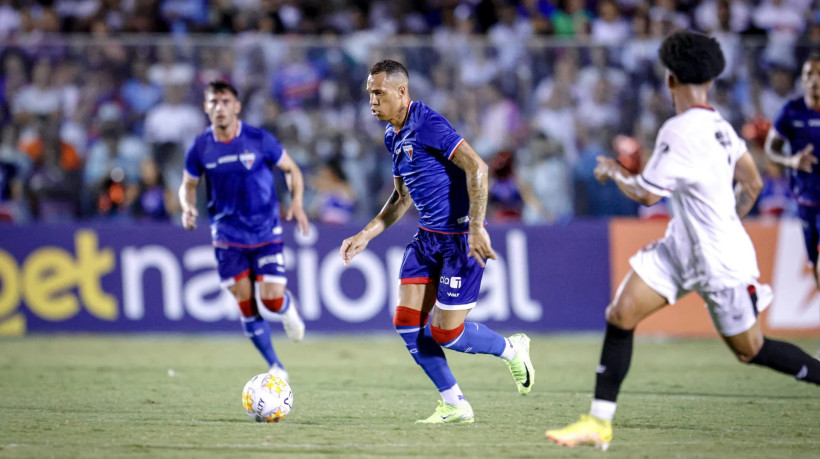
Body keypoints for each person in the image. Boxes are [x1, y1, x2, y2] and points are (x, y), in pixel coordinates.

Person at [546, 30, 820, 451]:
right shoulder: (723, 127)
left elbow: (647, 193)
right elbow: (753, 181)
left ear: (670, 79)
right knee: (621, 314)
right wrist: (727, 217)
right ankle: (598, 423)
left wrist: (613, 170)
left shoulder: (678, 130)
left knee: (750, 350)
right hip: (682, 247)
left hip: (719, 261)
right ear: (710, 80)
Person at [339, 60, 535, 424]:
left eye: (378, 93)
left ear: (401, 92)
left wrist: (476, 226)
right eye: (369, 93)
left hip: (460, 240)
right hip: (428, 238)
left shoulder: (427, 123)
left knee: (445, 333)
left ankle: (511, 349)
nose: (372, 101)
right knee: (406, 321)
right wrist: (365, 234)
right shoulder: (391, 135)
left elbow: (477, 167)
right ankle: (455, 404)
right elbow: (401, 199)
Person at [179, 80, 308, 383]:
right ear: (206, 108)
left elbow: (292, 170)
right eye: (213, 102)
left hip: (265, 230)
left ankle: (287, 310)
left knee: (272, 299)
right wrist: (187, 207)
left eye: (225, 102)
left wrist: (297, 203)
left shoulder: (259, 139)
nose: (219, 108)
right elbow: (188, 184)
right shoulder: (200, 147)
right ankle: (275, 365)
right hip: (227, 235)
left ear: (236, 106)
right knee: (245, 301)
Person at [763, 55, 820, 358]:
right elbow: (772, 148)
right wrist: (791, 161)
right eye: (809, 73)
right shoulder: (792, 111)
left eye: (819, 74)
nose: (814, 79)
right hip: (806, 201)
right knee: (815, 265)